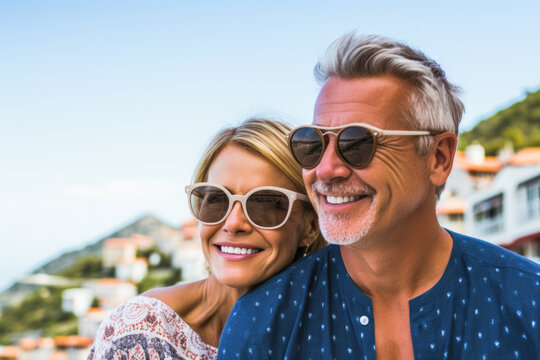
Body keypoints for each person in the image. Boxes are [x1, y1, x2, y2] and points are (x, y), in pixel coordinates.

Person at [217, 33, 540, 359]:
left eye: (357, 142)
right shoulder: (261, 322)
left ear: (439, 157)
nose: (326, 169)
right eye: (313, 143)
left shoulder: (529, 300)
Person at [88, 118, 324, 360]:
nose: (233, 224)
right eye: (217, 200)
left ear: (311, 226)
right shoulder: (141, 333)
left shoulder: (330, 332)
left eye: (265, 204)